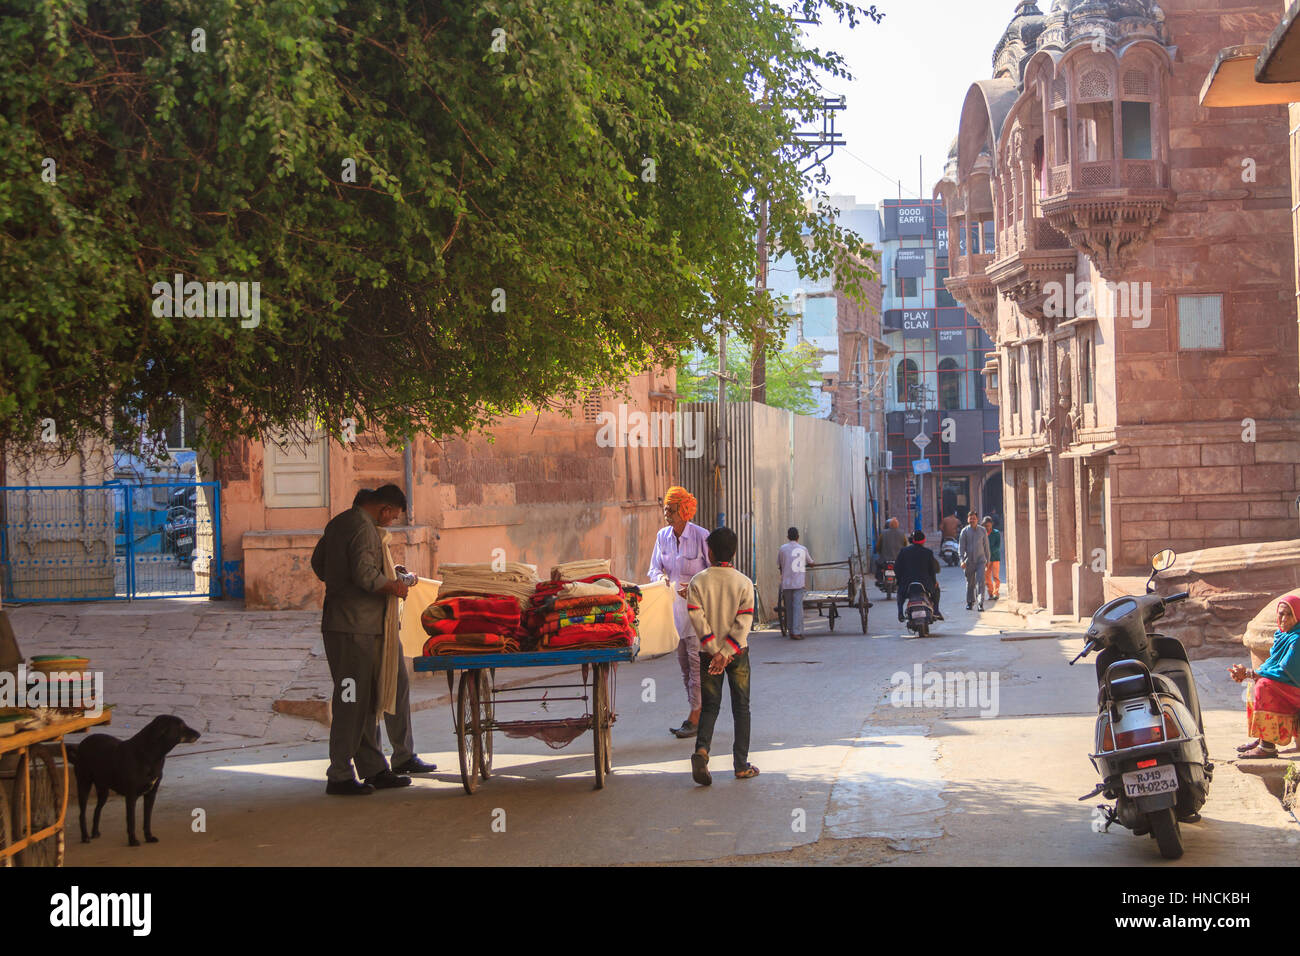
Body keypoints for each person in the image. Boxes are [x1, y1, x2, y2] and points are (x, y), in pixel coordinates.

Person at [311, 484, 436, 796]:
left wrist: (345, 581)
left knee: (365, 701)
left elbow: (319, 565)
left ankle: (374, 768)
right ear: (385, 509)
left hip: (349, 625)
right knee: (351, 701)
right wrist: (394, 587)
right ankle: (339, 773)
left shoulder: (339, 523)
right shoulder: (364, 529)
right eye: (393, 516)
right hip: (355, 629)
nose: (392, 521)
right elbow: (366, 576)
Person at [686, 527, 758, 785]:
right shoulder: (744, 582)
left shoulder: (698, 581)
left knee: (711, 706)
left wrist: (714, 651)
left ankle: (702, 751)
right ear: (735, 551)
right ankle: (741, 765)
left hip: (708, 654)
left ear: (710, 551)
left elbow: (696, 616)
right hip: (737, 653)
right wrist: (727, 652)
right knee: (741, 707)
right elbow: (744, 620)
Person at [648, 486, 711, 739]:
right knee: (684, 664)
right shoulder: (662, 536)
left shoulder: (702, 536)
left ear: (684, 511)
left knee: (696, 664)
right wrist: (660, 576)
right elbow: (653, 568)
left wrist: (694, 585)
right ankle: (697, 709)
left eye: (671, 509)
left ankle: (695, 716)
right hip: (673, 613)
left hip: (697, 612)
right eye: (665, 509)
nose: (666, 514)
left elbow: (713, 572)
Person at [1231, 596, 1300, 758]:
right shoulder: (1283, 636)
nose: (1283, 619)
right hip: (1291, 687)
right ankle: (1262, 735)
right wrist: (1247, 674)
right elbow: (1271, 666)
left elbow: (1285, 671)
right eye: (1281, 614)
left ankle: (1267, 747)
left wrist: (1249, 673)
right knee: (1253, 686)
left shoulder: (1297, 639)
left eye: (1289, 615)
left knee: (1264, 685)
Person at [895, 531, 942, 623]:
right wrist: (934, 581)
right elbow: (932, 571)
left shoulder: (904, 551)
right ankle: (936, 610)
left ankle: (900, 612)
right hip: (925, 585)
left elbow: (897, 568)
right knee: (936, 591)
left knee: (900, 594)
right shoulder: (928, 552)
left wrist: (900, 581)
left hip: (907, 584)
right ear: (924, 540)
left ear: (913, 540)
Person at [778, 527, 814, 641]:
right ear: (798, 537)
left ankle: (790, 630)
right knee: (797, 607)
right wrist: (812, 564)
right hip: (798, 583)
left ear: (788, 537)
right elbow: (811, 562)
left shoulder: (782, 549)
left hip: (787, 583)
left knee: (788, 607)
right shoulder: (803, 549)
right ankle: (796, 631)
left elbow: (779, 564)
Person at [959, 510, 990, 611]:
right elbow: (961, 547)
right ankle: (970, 602)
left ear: (977, 519)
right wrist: (962, 560)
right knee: (970, 583)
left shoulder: (982, 531)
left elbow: (986, 546)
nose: (972, 520)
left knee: (981, 581)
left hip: (981, 561)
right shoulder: (964, 531)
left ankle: (980, 603)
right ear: (968, 519)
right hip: (969, 561)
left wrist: (988, 560)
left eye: (974, 518)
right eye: (970, 518)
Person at [983, 516, 1002, 601]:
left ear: (991, 524)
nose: (987, 527)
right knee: (986, 576)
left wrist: (989, 552)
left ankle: (996, 593)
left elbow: (997, 546)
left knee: (995, 576)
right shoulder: (982, 533)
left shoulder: (996, 533)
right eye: (985, 525)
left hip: (995, 558)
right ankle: (990, 593)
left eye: (988, 525)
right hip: (985, 559)